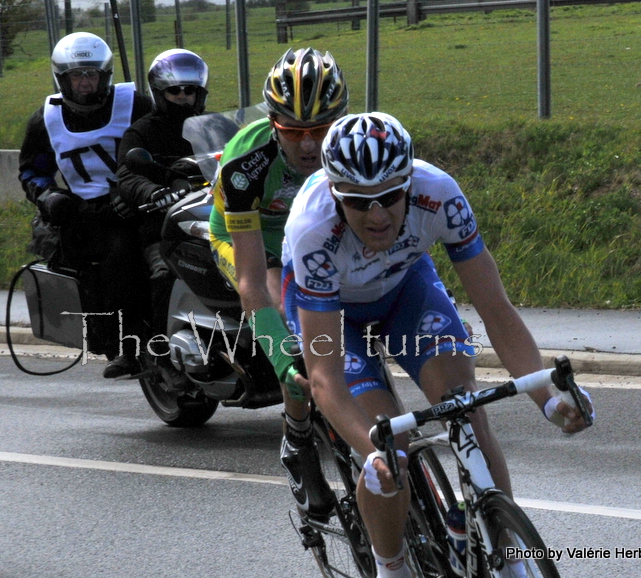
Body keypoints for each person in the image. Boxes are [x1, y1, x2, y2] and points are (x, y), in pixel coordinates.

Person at [281, 112, 595, 578]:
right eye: (359, 203)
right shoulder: (313, 233)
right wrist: (370, 454)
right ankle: (393, 568)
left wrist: (547, 400)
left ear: (409, 183)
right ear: (334, 194)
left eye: (390, 197)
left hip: (405, 288)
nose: (378, 215)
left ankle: (506, 551)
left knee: (465, 407)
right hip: (334, 313)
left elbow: (497, 312)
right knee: (391, 442)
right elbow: (325, 380)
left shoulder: (439, 194)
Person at [208, 47, 349, 521]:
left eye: (321, 130)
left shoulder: (354, 146)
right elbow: (251, 284)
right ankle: (297, 435)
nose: (309, 146)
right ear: (273, 124)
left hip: (312, 231)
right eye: (292, 132)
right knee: (295, 329)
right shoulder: (247, 162)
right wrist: (283, 358)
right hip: (252, 239)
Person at [18, 32, 153, 379]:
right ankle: (126, 346)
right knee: (120, 252)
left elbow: (167, 136)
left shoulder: (135, 104)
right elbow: (32, 170)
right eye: (77, 76)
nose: (85, 84)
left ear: (105, 75)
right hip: (89, 213)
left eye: (91, 74)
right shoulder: (45, 119)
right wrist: (48, 196)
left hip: (142, 197)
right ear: (62, 78)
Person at [115, 48, 210, 360]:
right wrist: (153, 192)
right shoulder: (142, 131)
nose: (183, 96)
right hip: (164, 227)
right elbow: (127, 174)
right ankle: (160, 352)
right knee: (165, 274)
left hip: (213, 222)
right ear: (159, 93)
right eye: (175, 91)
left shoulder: (212, 127)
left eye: (190, 90)